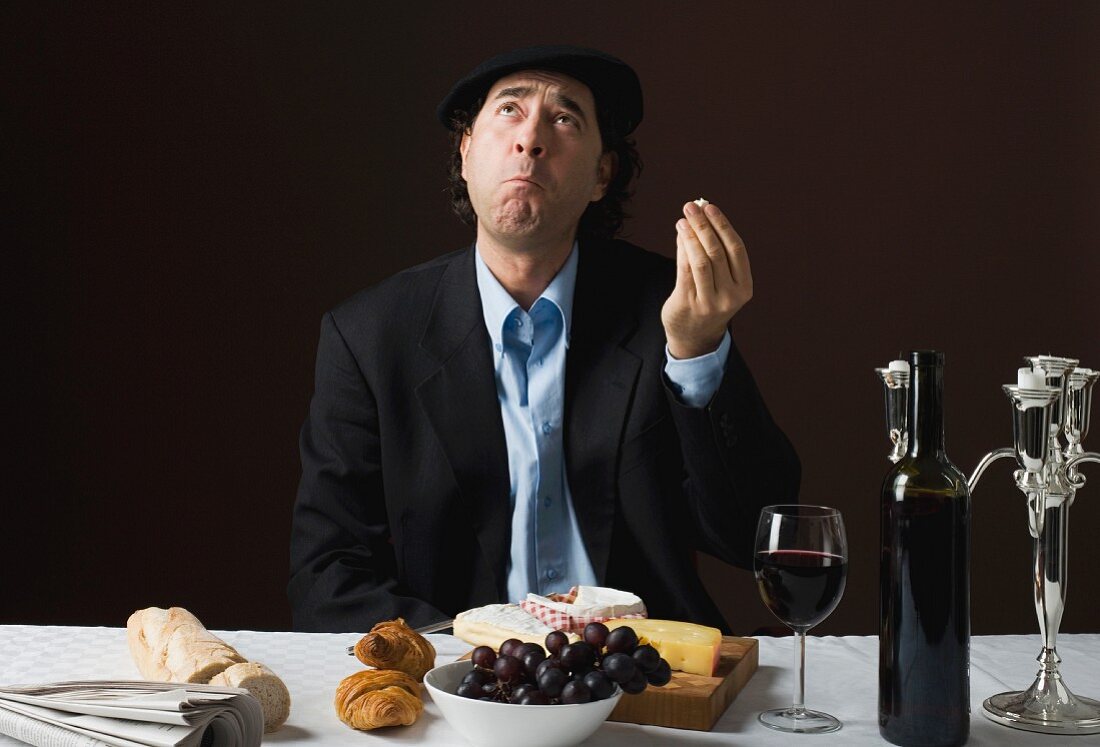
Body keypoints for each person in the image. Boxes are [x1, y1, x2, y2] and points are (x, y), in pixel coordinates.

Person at [288, 45, 800, 633]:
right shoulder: (369, 334)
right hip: (461, 683)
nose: (530, 139)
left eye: (564, 119)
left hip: (643, 679)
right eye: (509, 110)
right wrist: (478, 653)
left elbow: (754, 539)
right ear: (465, 152)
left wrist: (697, 350)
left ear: (601, 175)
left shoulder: (671, 304)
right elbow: (326, 573)